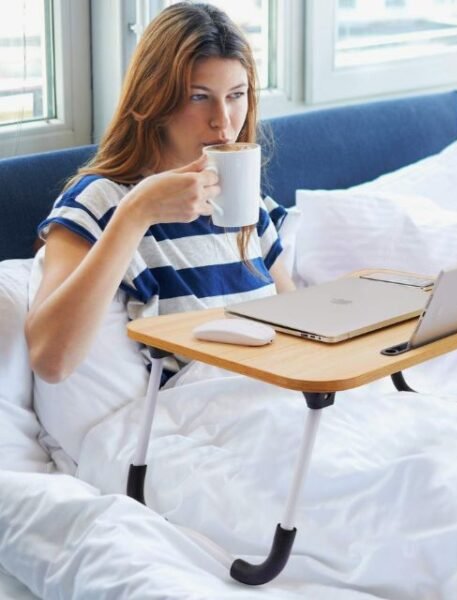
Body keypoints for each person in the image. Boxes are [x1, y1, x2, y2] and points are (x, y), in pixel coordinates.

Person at [25, 2, 295, 384]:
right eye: (198, 97)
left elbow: (298, 330)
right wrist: (137, 212)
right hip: (198, 416)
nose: (223, 120)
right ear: (152, 100)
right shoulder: (101, 201)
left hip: (274, 395)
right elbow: (50, 360)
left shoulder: (248, 202)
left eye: (236, 95)